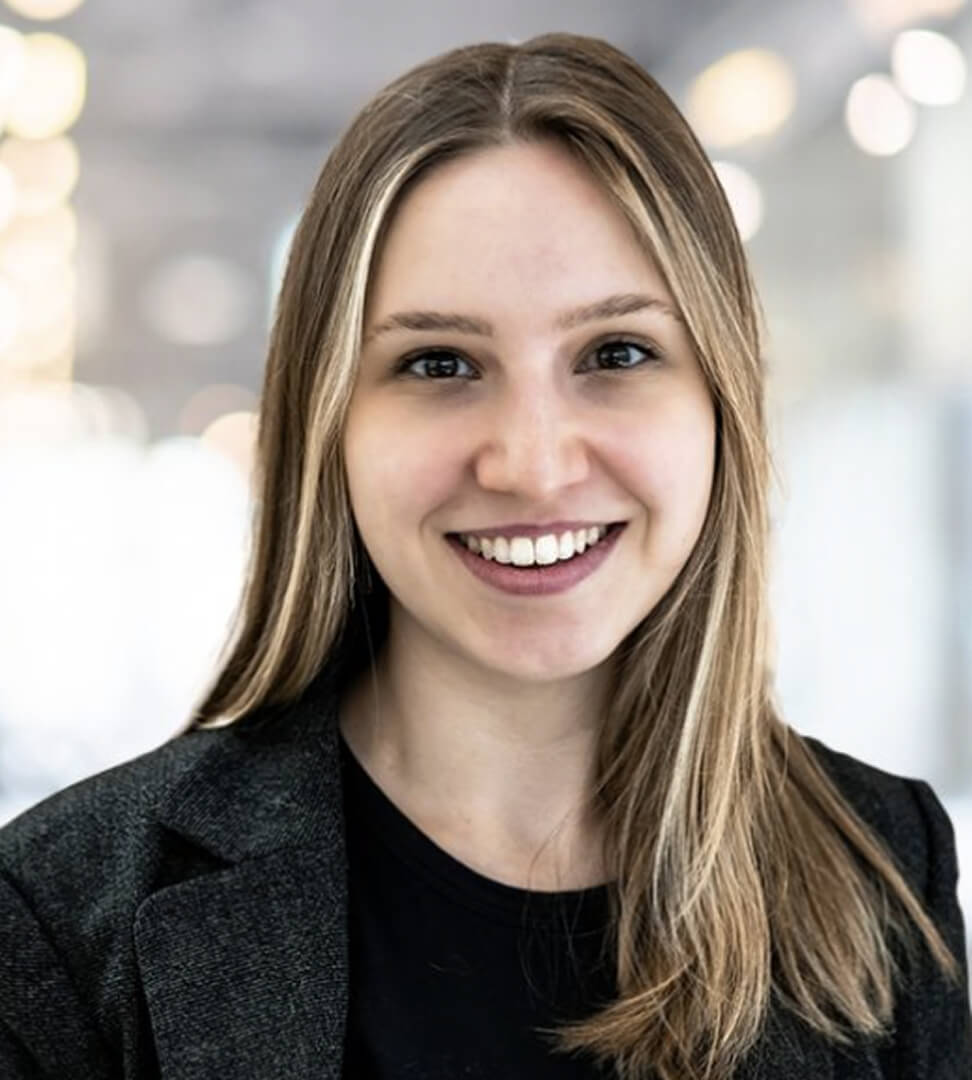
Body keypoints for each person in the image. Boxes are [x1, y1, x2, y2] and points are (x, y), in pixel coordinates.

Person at [0, 31, 969, 1080]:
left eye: (617, 353)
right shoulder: (68, 911)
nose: (532, 464)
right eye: (440, 363)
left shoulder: (879, 863)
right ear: (329, 425)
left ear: (720, 402)